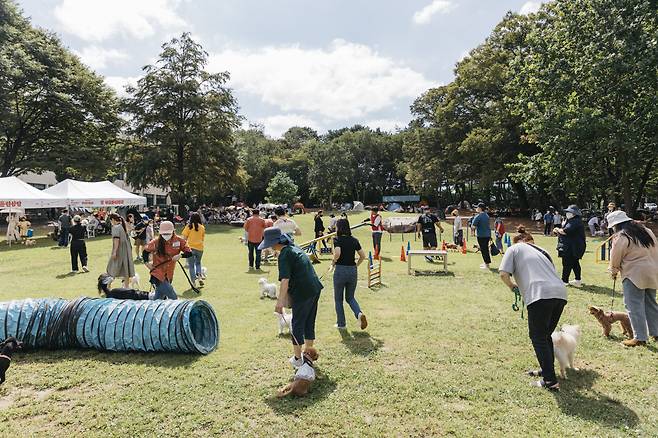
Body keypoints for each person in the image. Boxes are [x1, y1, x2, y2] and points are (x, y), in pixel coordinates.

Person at [499, 229, 568, 391]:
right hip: (560, 293)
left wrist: (511, 286)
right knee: (545, 336)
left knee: (538, 337)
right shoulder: (543, 251)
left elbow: (503, 274)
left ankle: (550, 381)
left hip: (539, 295)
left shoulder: (513, 248)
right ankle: (546, 370)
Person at [261, 227, 323, 369]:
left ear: (274, 242)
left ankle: (298, 359)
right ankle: (308, 355)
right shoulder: (293, 248)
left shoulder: (284, 255)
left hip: (303, 292)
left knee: (297, 324)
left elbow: (285, 281)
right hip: (314, 288)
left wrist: (279, 302)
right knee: (308, 322)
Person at [607, 211, 658, 347]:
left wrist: (613, 270)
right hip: (652, 271)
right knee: (651, 303)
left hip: (634, 273)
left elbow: (615, 256)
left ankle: (640, 337)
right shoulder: (646, 231)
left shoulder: (621, 236)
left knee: (634, 305)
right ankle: (656, 332)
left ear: (616, 225)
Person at [332, 218, 368, 330]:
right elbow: (363, 255)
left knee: (338, 299)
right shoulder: (354, 240)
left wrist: (333, 261)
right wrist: (356, 265)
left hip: (340, 270)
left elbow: (337, 253)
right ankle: (359, 314)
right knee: (350, 298)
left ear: (339, 227)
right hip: (352, 270)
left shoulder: (337, 239)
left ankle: (341, 324)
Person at [144, 221, 192, 300]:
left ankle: (154, 310)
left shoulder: (179, 241)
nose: (166, 236)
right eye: (164, 234)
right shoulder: (155, 242)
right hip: (157, 274)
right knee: (172, 295)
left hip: (169, 274)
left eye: (168, 234)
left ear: (173, 231)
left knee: (159, 298)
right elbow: (145, 252)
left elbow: (189, 253)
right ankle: (178, 310)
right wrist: (147, 264)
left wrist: (180, 255)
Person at [553, 205, 586, 287]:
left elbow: (566, 231)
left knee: (567, 263)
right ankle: (577, 280)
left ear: (574, 213)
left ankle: (564, 281)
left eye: (569, 212)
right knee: (575, 263)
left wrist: (557, 229)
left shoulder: (575, 221)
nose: (567, 213)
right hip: (573, 246)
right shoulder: (571, 220)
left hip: (572, 246)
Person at [106, 213, 135, 288]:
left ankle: (108, 286)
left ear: (112, 220)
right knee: (126, 269)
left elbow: (116, 240)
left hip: (120, 249)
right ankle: (126, 287)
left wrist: (114, 252)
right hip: (126, 249)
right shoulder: (123, 226)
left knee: (112, 268)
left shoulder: (116, 227)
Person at [182, 212, 206, 287]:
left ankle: (193, 282)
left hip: (190, 248)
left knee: (191, 266)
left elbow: (184, 238)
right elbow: (202, 238)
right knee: (198, 263)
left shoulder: (188, 226)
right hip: (200, 248)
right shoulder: (202, 227)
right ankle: (199, 277)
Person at [471, 203, 492, 269]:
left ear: (480, 208)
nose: (476, 209)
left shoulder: (478, 216)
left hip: (481, 235)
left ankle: (487, 264)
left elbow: (473, 226)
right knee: (485, 249)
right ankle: (486, 263)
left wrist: (472, 232)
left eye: (477, 207)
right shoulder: (486, 215)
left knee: (484, 250)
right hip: (487, 235)